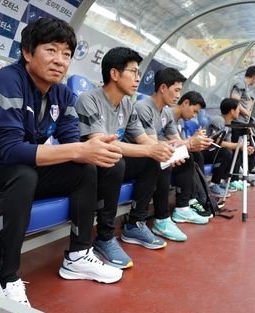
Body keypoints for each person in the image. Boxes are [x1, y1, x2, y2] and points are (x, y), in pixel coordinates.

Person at [0, 18, 124, 313]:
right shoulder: (6, 81)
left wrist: (93, 145)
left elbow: (71, 141)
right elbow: (11, 151)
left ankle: (78, 254)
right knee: (23, 173)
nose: (59, 61)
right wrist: (78, 150)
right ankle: (5, 280)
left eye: (66, 54)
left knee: (84, 168)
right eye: (51, 50)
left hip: (20, 174)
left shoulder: (62, 95)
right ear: (27, 52)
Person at [76, 47, 174, 269]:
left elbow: (142, 139)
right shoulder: (88, 99)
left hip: (110, 163)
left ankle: (135, 224)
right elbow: (102, 144)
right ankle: (105, 237)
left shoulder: (128, 104)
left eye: (139, 73)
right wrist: (152, 150)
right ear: (114, 74)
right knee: (115, 161)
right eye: (133, 72)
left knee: (154, 160)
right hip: (88, 164)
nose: (138, 79)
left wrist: (164, 150)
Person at [133, 68, 210, 243]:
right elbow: (152, 145)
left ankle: (182, 208)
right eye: (176, 90)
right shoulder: (143, 107)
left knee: (187, 156)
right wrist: (188, 143)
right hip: (137, 156)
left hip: (149, 155)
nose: (178, 96)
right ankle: (161, 219)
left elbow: (176, 140)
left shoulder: (166, 112)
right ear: (162, 88)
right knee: (163, 158)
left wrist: (191, 144)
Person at [171, 91, 217, 216]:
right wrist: (191, 142)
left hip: (170, 152)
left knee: (196, 154)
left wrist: (194, 140)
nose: (194, 116)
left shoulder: (180, 122)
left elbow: (179, 143)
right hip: (163, 155)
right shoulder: (167, 116)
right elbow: (174, 144)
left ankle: (200, 196)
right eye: (194, 111)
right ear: (186, 103)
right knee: (189, 156)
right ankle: (189, 202)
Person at [203, 98, 254, 197]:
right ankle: (214, 184)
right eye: (238, 109)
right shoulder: (218, 120)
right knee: (226, 152)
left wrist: (243, 148)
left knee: (232, 151)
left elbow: (229, 144)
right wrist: (238, 146)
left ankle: (221, 180)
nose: (239, 112)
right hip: (205, 151)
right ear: (232, 111)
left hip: (214, 152)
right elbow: (216, 141)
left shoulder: (228, 124)